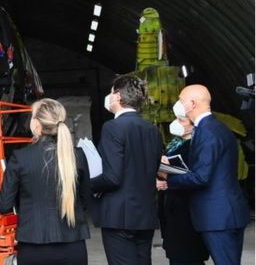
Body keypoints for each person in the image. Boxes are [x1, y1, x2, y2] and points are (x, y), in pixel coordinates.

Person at [160, 85, 248, 265]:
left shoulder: (207, 131)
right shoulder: (215, 127)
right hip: (223, 214)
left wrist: (169, 179)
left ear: (192, 104)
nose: (178, 104)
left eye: (181, 100)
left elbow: (201, 176)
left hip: (218, 218)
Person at [0, 98, 91, 265]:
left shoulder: (20, 158)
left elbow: (4, 205)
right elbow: (85, 200)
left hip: (33, 245)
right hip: (73, 245)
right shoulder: (78, 156)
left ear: (36, 124)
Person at [91, 75, 163, 265]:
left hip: (119, 216)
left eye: (111, 92)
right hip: (145, 214)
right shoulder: (152, 129)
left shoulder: (113, 127)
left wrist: (87, 184)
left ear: (118, 96)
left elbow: (112, 177)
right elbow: (155, 168)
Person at [157, 113, 209, 265]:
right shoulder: (176, 142)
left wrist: (167, 175)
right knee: (176, 253)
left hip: (186, 207)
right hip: (172, 203)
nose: (175, 123)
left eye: (181, 120)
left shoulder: (196, 145)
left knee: (186, 254)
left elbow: (197, 176)